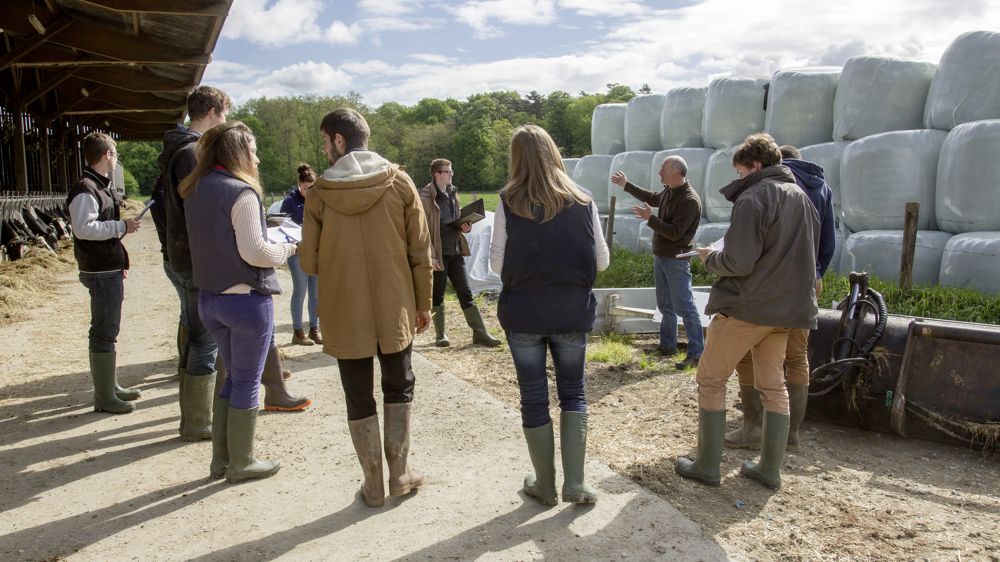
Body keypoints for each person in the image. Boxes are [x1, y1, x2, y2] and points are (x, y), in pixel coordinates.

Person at [300, 107, 432, 508]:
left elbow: (308, 262)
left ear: (339, 140)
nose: (323, 150)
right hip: (396, 307)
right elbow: (420, 251)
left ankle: (372, 484)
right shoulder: (401, 183)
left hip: (344, 311)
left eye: (325, 142)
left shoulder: (319, 194)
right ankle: (400, 474)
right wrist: (423, 304)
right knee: (399, 384)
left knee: (358, 395)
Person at [674, 133, 819, 490]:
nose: (738, 179)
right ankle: (770, 469)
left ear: (755, 166)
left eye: (740, 172)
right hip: (788, 311)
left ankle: (707, 465)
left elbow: (738, 262)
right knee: (774, 385)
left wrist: (711, 258)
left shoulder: (753, 197)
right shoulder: (802, 197)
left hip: (749, 307)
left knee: (710, 379)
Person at [490, 124, 610, 506]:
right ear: (554, 153)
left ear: (516, 159)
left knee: (533, 396)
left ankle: (544, 483)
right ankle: (575, 482)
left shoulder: (508, 202)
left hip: (523, 313)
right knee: (574, 393)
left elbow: (496, 263)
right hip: (571, 312)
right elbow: (602, 261)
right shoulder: (583, 201)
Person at [179, 121, 296, 483]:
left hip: (210, 300)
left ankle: (221, 460)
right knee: (246, 381)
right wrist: (288, 247)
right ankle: (242, 462)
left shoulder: (195, 188)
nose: (258, 158)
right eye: (254, 150)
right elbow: (256, 251)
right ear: (240, 152)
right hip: (245, 301)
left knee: (230, 379)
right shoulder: (241, 192)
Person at [726, 144, 836, 453]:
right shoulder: (822, 187)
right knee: (796, 357)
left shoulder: (775, 185)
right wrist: (815, 271)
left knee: (748, 352)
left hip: (770, 282)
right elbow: (829, 241)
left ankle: (753, 426)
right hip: (808, 281)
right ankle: (790, 435)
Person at [160, 86, 230, 440]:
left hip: (180, 253)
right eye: (225, 114)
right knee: (204, 340)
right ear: (215, 111)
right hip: (194, 258)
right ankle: (198, 422)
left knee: (194, 332)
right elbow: (199, 210)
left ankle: (192, 419)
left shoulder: (177, 148)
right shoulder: (191, 153)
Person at [67, 132, 141, 415]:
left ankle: (110, 387)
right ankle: (104, 396)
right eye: (115, 153)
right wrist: (120, 228)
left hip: (105, 266)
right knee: (104, 331)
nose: (117, 158)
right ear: (106, 155)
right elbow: (83, 228)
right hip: (100, 269)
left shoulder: (97, 186)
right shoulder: (86, 188)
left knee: (106, 330)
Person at [610, 156, 704, 369]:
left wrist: (650, 219)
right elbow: (653, 198)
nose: (659, 172)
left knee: (685, 307)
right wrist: (627, 186)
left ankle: (697, 353)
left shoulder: (689, 200)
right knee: (666, 306)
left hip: (676, 260)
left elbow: (676, 234)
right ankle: (668, 346)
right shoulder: (670, 191)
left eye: (663, 168)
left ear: (675, 172)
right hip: (663, 257)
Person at [419, 158, 501, 348]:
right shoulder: (425, 198)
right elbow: (421, 231)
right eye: (447, 171)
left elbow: (456, 221)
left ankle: (480, 334)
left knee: (466, 293)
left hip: (455, 251)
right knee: (438, 295)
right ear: (436, 174)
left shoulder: (453, 194)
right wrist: (430, 255)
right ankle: (441, 336)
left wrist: (465, 226)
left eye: (451, 171)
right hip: (438, 254)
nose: (451, 174)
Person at [280, 164, 322, 347]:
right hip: (298, 251)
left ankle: (315, 328)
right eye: (306, 188)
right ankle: (298, 331)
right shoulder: (289, 201)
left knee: (316, 293)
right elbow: (282, 226)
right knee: (300, 290)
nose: (309, 191)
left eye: (312, 188)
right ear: (299, 184)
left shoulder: (319, 199)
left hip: (316, 251)